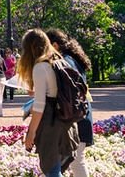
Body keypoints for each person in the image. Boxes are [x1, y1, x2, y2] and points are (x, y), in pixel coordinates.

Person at [18, 29, 78, 177]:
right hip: (66, 119)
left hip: (50, 122)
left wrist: (31, 133)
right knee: (57, 167)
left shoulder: (39, 67)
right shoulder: (59, 60)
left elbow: (39, 105)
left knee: (52, 170)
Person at [46, 28, 92, 177]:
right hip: (81, 115)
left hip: (76, 117)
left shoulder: (65, 62)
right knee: (75, 160)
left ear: (55, 45)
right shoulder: (72, 59)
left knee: (77, 161)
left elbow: (67, 93)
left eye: (46, 47)